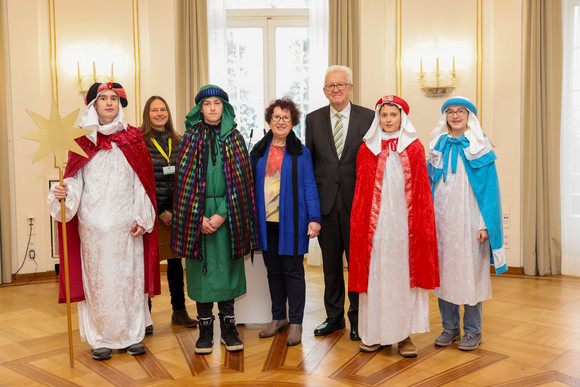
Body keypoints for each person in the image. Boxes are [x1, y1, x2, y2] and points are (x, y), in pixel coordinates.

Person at [48, 82, 160, 361]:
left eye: (113, 98)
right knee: (99, 283)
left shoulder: (132, 138)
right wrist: (63, 193)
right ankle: (100, 338)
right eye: (103, 98)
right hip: (94, 226)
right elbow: (74, 182)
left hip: (126, 227)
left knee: (129, 282)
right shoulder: (81, 141)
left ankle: (133, 335)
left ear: (119, 104)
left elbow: (142, 183)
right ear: (93, 105)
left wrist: (142, 218)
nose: (109, 102)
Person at [349, 95, 439, 357]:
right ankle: (375, 334)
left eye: (393, 115)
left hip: (404, 227)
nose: (388, 120)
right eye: (384, 115)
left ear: (402, 117)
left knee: (402, 278)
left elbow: (422, 194)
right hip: (375, 230)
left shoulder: (413, 147)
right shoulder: (367, 148)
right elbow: (361, 193)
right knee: (376, 277)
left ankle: (404, 336)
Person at [171, 84, 258, 354]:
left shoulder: (234, 138)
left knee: (228, 272)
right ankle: (205, 329)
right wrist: (198, 217)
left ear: (225, 107)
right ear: (200, 108)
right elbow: (183, 184)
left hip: (228, 217)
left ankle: (229, 329)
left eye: (217, 104)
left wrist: (221, 214)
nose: (212, 108)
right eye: (207, 104)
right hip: (197, 217)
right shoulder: (190, 139)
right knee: (202, 274)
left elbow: (243, 183)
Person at [427, 96, 506, 351]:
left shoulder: (479, 145)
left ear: (469, 115)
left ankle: (473, 331)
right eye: (450, 111)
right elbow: (429, 184)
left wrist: (484, 224)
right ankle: (450, 328)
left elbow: (489, 191)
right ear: (445, 117)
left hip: (471, 222)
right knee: (445, 274)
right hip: (443, 221)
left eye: (461, 111)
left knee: (471, 273)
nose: (455, 115)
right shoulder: (437, 144)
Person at [305, 65, 374, 340]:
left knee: (357, 266)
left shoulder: (368, 117)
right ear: (324, 90)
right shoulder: (313, 119)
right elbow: (309, 165)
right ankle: (334, 318)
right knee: (331, 267)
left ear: (350, 88)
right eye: (330, 86)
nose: (336, 90)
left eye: (340, 85)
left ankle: (358, 318)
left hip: (357, 205)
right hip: (326, 206)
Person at [250, 98, 321, 346]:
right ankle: (278, 318)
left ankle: (296, 323)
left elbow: (310, 186)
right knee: (274, 272)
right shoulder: (258, 151)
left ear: (293, 123)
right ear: (269, 120)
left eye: (286, 117)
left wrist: (314, 218)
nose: (281, 121)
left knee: (293, 272)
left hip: (292, 222)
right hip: (265, 221)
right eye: (276, 117)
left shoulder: (301, 152)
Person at [140, 96, 198, 333]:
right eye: (154, 110)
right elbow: (141, 181)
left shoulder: (179, 140)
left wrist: (178, 211)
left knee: (176, 263)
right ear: (148, 114)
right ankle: (145, 316)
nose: (160, 113)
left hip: (177, 214)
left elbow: (185, 176)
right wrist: (160, 210)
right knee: (149, 265)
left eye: (163, 109)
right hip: (152, 214)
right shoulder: (141, 142)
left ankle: (179, 311)